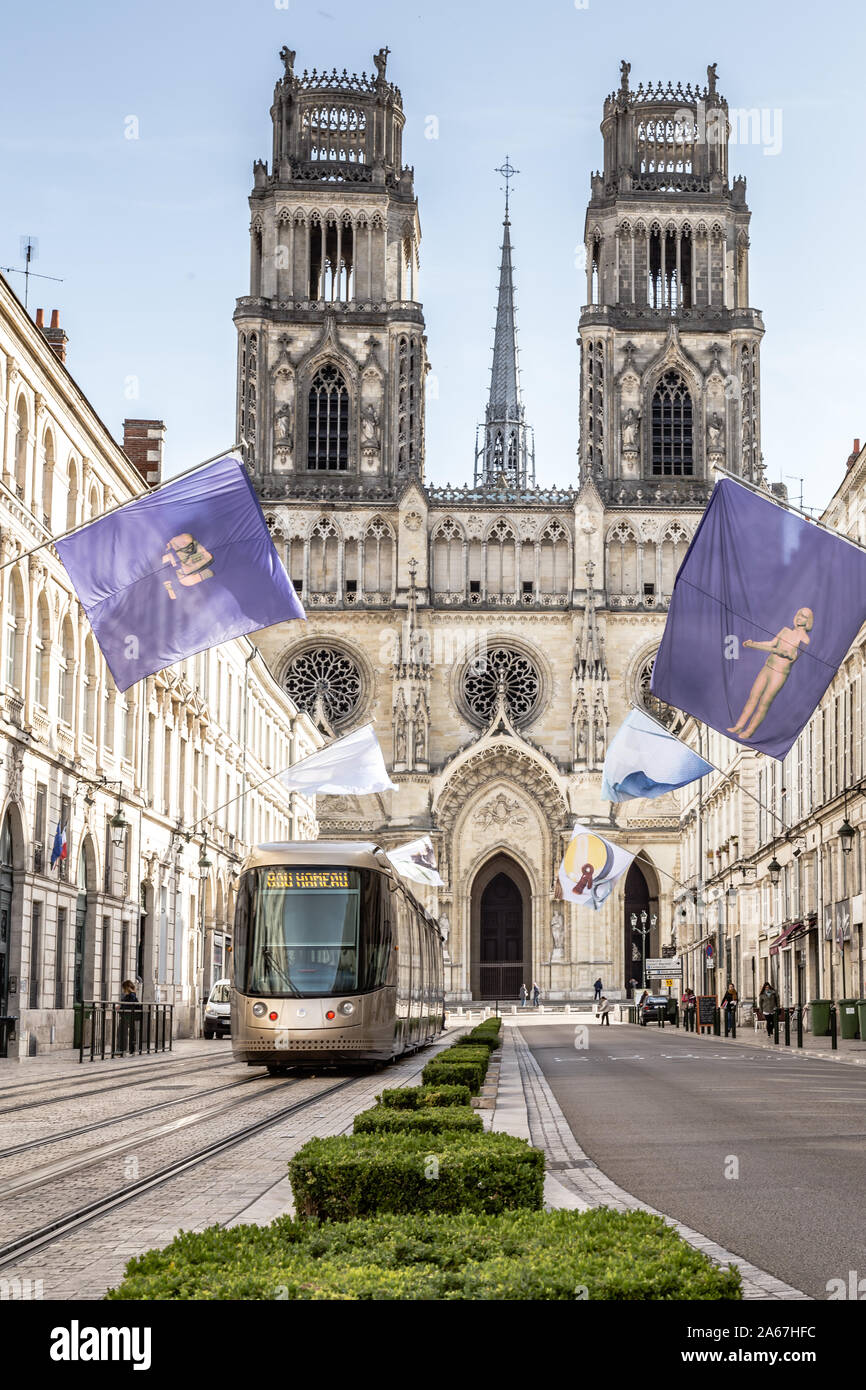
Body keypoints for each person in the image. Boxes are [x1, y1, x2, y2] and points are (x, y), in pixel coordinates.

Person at [727, 607, 813, 741]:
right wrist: (754, 643)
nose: (799, 617)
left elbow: (794, 656)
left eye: (803, 616)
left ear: (808, 621)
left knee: (764, 702)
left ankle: (749, 731)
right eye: (799, 614)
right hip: (768, 667)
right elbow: (771, 643)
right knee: (753, 696)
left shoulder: (805, 639)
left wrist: (785, 653)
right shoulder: (785, 630)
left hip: (779, 673)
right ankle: (739, 725)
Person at [119, 978, 138, 1054]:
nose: (123, 990)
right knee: (130, 1032)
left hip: (128, 1016)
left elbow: (129, 1005)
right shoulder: (130, 995)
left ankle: (126, 1049)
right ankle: (128, 1049)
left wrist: (120, 1007)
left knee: (126, 1032)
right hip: (128, 1016)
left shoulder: (131, 995)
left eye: (124, 988)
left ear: (127, 988)